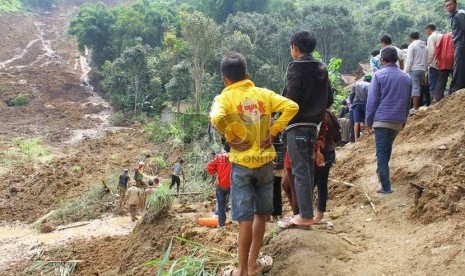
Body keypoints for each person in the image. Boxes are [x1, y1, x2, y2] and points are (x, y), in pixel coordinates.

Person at [210, 52, 298, 276]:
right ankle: (252, 266)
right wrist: (274, 130)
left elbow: (216, 118)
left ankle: (240, 270)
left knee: (244, 219)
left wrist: (230, 136)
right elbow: (292, 107)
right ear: (248, 75)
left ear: (225, 80)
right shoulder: (264, 94)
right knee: (260, 214)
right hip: (265, 163)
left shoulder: (224, 98)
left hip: (241, 166)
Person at [281, 30, 330, 228]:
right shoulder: (321, 68)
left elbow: (291, 99)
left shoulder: (295, 67)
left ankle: (305, 215)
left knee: (300, 170)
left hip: (297, 125)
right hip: (313, 126)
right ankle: (305, 212)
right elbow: (329, 99)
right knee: (307, 170)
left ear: (295, 48)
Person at [366, 47, 412, 194]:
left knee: (381, 153)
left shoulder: (378, 75)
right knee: (386, 149)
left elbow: (372, 101)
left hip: (381, 120)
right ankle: (382, 178)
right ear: (397, 60)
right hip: (398, 121)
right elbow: (407, 101)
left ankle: (385, 186)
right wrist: (404, 120)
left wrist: (368, 120)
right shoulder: (406, 77)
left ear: (382, 60)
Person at [314, 109, 340, 223]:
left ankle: (308, 214)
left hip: (321, 154)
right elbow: (338, 135)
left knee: (313, 183)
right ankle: (319, 214)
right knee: (321, 184)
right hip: (329, 151)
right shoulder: (330, 114)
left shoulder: (319, 114)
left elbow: (318, 136)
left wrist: (317, 151)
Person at [206, 148, 231, 228]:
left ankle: (221, 224)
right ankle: (241, 225)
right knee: (237, 203)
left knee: (220, 205)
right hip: (233, 185)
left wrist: (217, 173)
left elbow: (209, 168)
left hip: (220, 185)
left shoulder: (219, 158)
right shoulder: (237, 158)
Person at [404, 31, 428, 111]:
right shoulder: (424, 46)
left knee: (415, 88)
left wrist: (406, 71)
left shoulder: (412, 45)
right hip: (422, 69)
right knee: (418, 88)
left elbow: (410, 59)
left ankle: (415, 108)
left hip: (414, 69)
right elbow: (426, 59)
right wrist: (425, 70)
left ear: (410, 38)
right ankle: (417, 107)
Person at [445, 0, 465, 93]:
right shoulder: (455, 16)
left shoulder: (459, 15)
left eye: (450, 5)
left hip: (461, 44)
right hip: (459, 44)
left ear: (455, 4)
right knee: (459, 65)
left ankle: (456, 87)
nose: (449, 7)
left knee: (458, 65)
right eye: (447, 6)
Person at [434, 32, 455, 101]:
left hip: (443, 59)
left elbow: (438, 47)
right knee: (455, 78)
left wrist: (438, 58)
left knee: (441, 79)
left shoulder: (445, 35)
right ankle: (452, 95)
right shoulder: (459, 34)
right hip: (454, 58)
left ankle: (438, 97)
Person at [350, 75, 371, 142]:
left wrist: (352, 102)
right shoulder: (370, 85)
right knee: (366, 118)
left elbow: (351, 94)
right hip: (365, 103)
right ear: (370, 80)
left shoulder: (356, 84)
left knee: (356, 122)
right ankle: (369, 132)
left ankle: (356, 139)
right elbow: (371, 95)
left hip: (356, 103)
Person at [425, 24, 443, 101]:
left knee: (433, 84)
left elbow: (431, 51)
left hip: (434, 64)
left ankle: (434, 101)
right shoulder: (442, 35)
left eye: (426, 30)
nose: (426, 32)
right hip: (443, 63)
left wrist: (427, 63)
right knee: (441, 83)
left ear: (429, 29)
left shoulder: (431, 37)